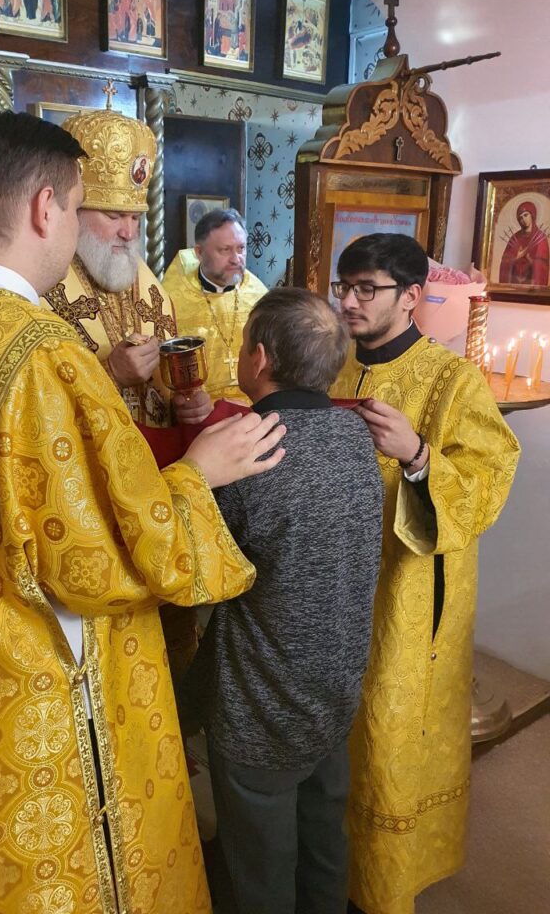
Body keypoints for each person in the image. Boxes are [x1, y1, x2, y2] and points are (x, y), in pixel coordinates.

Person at [0, 111, 286, 914]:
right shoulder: (40, 352)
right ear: (45, 207)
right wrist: (197, 476)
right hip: (32, 686)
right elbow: (100, 562)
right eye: (89, 204)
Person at [329, 233, 520, 914]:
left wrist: (416, 454)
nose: (349, 302)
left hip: (406, 596)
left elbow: (487, 482)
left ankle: (378, 890)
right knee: (333, 739)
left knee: (387, 736)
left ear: (411, 296)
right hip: (336, 587)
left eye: (366, 289)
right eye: (344, 287)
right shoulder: (333, 367)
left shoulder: (451, 380)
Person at [183, 287, 384, 914]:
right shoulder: (355, 436)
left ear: (260, 357)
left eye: (245, 342)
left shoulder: (251, 449)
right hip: (336, 688)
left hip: (262, 704)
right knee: (324, 838)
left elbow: (192, 570)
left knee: (260, 865)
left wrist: (192, 472)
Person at [45, 100, 213, 681]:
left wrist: (189, 404)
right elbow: (33, 407)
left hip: (156, 493)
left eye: (135, 217)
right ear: (73, 210)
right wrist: (110, 375)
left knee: (166, 642)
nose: (127, 232)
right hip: (86, 501)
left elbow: (169, 386)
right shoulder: (43, 286)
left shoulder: (148, 284)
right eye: (113, 214)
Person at [162, 208, 268, 404]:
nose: (236, 259)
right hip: (198, 411)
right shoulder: (172, 298)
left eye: (241, 248)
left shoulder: (260, 296)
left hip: (257, 408)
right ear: (199, 253)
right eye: (225, 250)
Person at [498, 199, 549, 286]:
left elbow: (543, 265)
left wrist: (530, 259)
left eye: (526, 215)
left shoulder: (540, 238)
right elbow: (505, 262)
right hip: (514, 283)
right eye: (520, 218)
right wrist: (517, 256)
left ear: (532, 215)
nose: (523, 219)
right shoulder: (515, 238)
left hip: (532, 285)